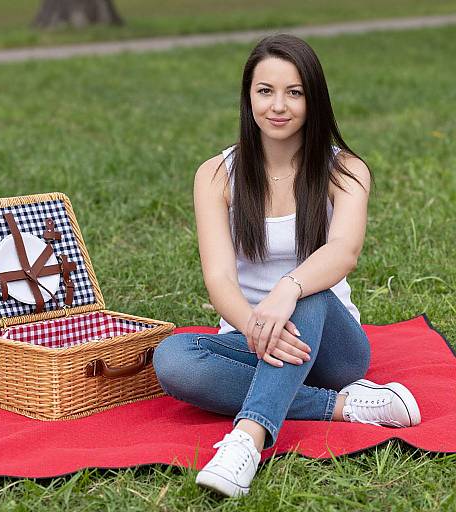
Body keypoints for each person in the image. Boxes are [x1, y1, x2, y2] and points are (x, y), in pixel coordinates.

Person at [152, 33, 421, 498]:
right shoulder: (216, 174)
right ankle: (346, 407)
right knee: (174, 360)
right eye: (265, 91)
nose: (279, 106)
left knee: (311, 287)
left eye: (294, 92)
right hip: (250, 338)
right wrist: (258, 328)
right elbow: (218, 278)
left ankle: (248, 439)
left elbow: (343, 253)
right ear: (248, 96)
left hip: (334, 349)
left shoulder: (346, 170)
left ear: (313, 98)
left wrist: (288, 289)